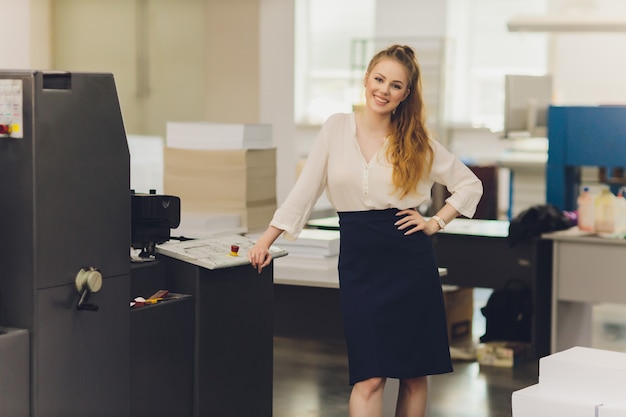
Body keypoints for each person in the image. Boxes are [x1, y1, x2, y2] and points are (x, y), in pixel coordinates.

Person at [248, 44, 483, 417]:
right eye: (379, 79)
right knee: (369, 377)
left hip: (410, 260)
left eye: (395, 85)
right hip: (360, 261)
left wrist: (435, 221)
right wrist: (265, 241)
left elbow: (469, 185)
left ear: (406, 94)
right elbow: (304, 191)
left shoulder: (416, 140)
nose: (383, 90)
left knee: (413, 374)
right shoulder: (336, 127)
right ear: (366, 78)